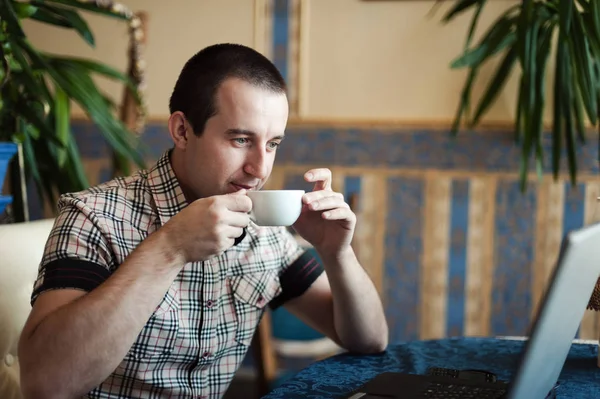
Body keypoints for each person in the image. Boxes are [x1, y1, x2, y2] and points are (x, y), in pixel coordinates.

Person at [17, 43, 388, 399]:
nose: (260, 168)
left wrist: (337, 253)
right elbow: (45, 384)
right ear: (182, 131)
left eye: (273, 144)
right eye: (241, 139)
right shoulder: (94, 217)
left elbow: (369, 339)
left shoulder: (262, 232)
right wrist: (170, 248)